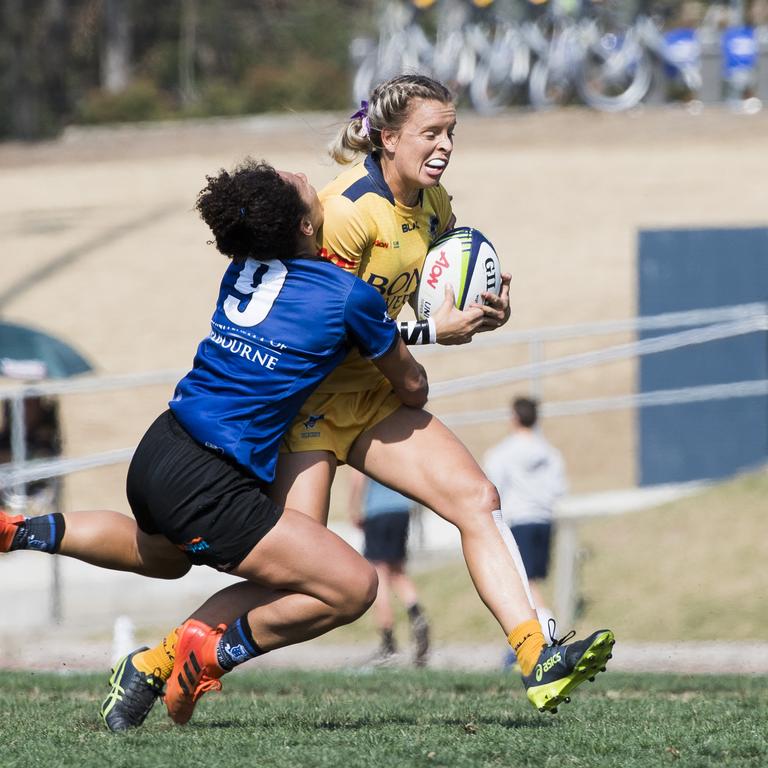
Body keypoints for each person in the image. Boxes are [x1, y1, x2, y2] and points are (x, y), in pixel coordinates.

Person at [119, 73, 613, 724]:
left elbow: (439, 278)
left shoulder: (436, 205)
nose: (444, 147)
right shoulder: (346, 211)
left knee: (477, 499)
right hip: (309, 410)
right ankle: (158, 664)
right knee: (295, 575)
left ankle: (536, 655)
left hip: (372, 400)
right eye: (430, 134)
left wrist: (480, 303)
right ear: (388, 138)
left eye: (451, 133)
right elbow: (330, 324)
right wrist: (435, 330)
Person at [0, 158, 429, 730]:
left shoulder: (244, 269)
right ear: (305, 226)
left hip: (162, 446)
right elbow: (412, 386)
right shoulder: (346, 295)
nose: (305, 175)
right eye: (299, 186)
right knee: (351, 588)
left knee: (162, 557)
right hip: (211, 479)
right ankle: (210, 655)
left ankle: (21, 530)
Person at [484, 396, 567, 667]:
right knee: (531, 582)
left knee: (524, 585)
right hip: (544, 520)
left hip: (519, 520)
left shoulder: (503, 452)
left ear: (514, 417)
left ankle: (545, 636)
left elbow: (493, 488)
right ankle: (535, 638)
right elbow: (558, 488)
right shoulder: (550, 452)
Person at [348, 469, 430, 667]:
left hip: (377, 512)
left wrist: (353, 509)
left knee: (379, 576)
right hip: (401, 511)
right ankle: (418, 617)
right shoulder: (393, 439)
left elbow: (357, 480)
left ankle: (388, 644)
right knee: (397, 571)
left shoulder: (363, 442)